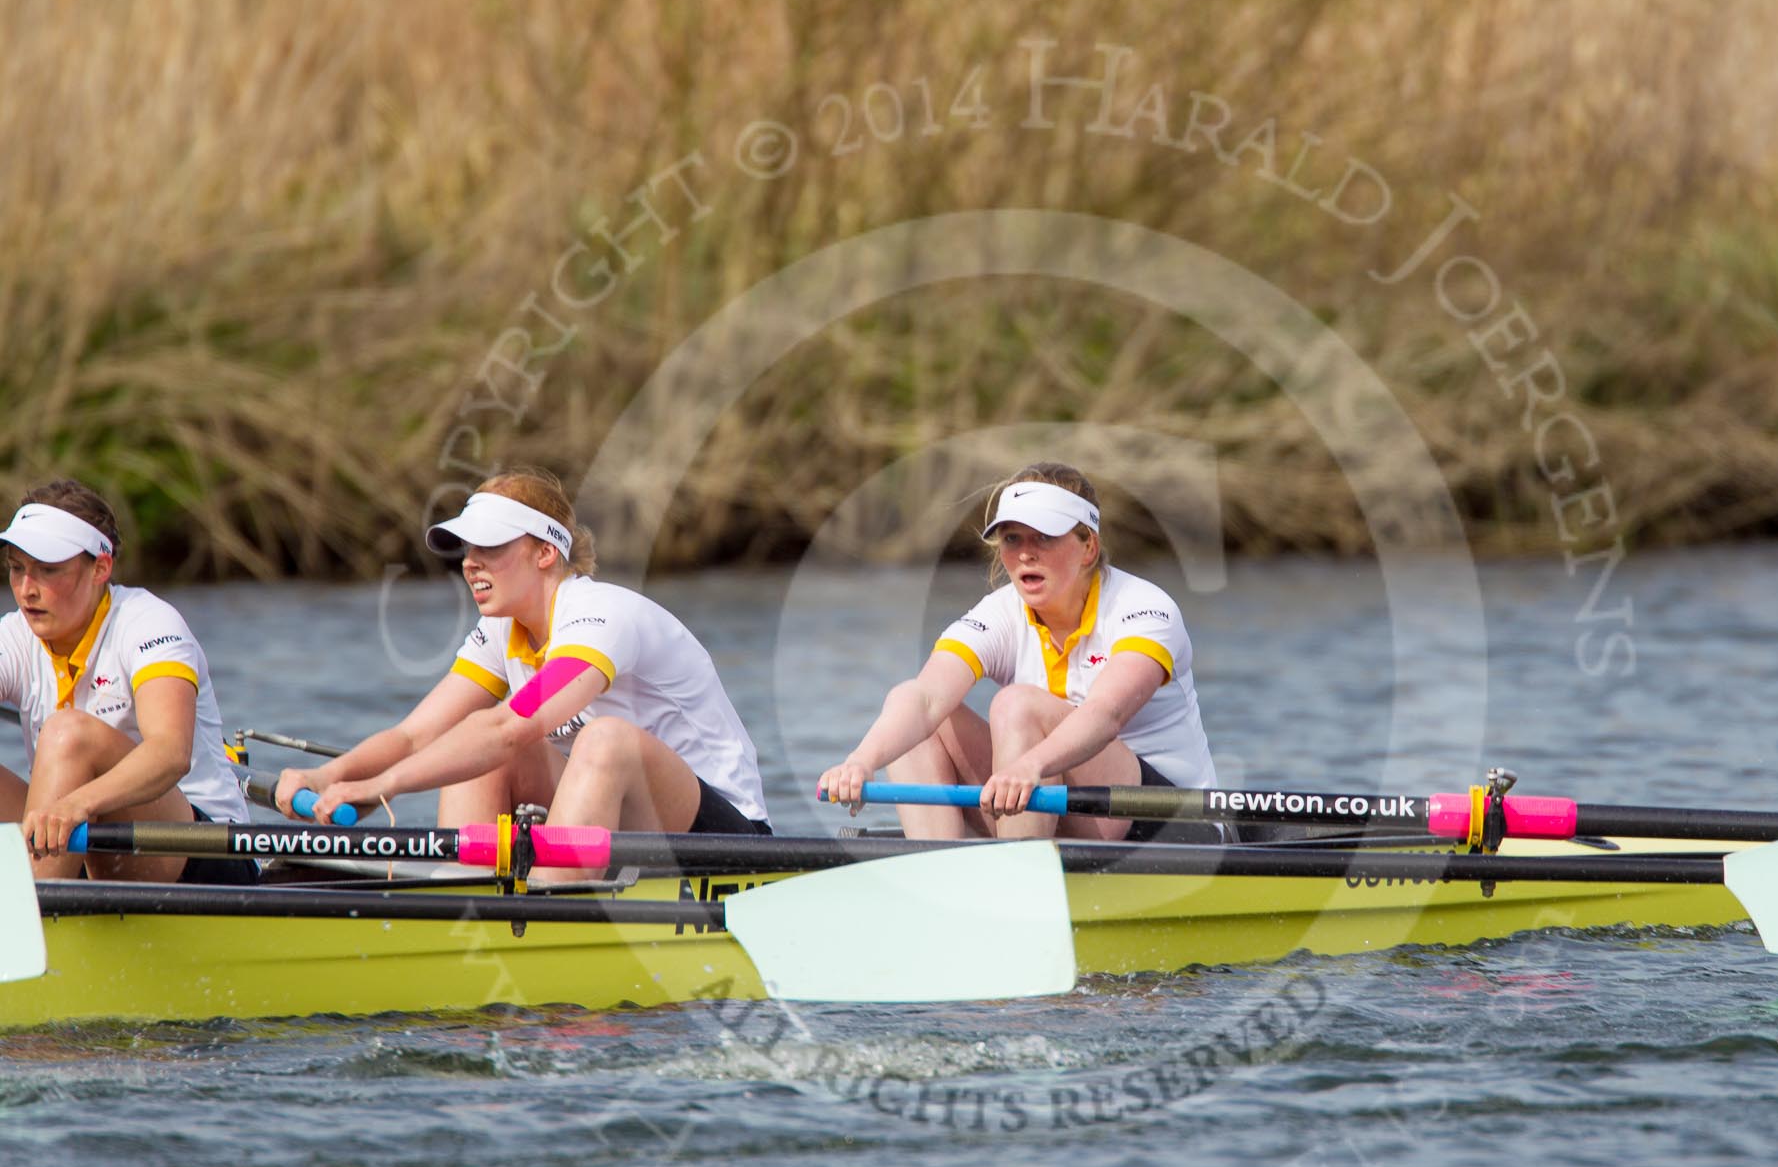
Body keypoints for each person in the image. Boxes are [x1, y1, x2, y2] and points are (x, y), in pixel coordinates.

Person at [278, 467, 769, 844]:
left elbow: (514, 727)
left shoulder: (600, 615)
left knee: (593, 740)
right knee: (476, 748)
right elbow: (413, 736)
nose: (470, 563)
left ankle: (548, 911)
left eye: (490, 546)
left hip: (723, 837)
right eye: (467, 549)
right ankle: (466, 905)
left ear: (545, 554)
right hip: (625, 828)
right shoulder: (501, 629)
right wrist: (331, 776)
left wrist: (383, 788)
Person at [819, 462, 1216, 841]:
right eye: (1012, 538)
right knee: (918, 717)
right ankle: (938, 874)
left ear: (1088, 548)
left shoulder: (1143, 607)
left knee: (1017, 706)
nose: (1026, 553)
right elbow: (924, 699)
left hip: (1168, 819)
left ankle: (1019, 873)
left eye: (1044, 537)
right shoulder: (1000, 614)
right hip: (1045, 800)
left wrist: (1031, 765)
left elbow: (1105, 714)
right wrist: (861, 761)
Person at [0, 480, 255, 883]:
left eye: (48, 570)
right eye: (17, 570)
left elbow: (171, 753)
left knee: (68, 734)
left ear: (101, 567)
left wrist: (76, 804)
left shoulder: (148, 623)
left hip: (201, 848)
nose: (26, 590)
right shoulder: (16, 635)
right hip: (87, 842)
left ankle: (34, 919)